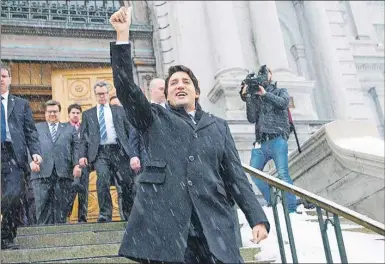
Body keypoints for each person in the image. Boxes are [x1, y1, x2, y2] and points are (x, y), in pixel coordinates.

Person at [109, 7, 269, 263]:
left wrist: (257, 218)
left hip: (213, 227)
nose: (179, 85)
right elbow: (126, 88)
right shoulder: (153, 118)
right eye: (174, 83)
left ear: (197, 92)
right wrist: (122, 36)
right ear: (167, 95)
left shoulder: (218, 126)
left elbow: (235, 176)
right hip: (168, 228)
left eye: (185, 82)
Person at [241, 66, 298, 213]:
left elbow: (283, 103)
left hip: (277, 138)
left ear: (270, 76)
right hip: (261, 141)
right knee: (254, 172)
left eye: (264, 74)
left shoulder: (280, 91)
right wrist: (248, 96)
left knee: (283, 173)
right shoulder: (256, 96)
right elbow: (251, 118)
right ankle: (272, 201)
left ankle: (291, 209)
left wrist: (265, 94)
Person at [78, 81, 136, 222]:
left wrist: (133, 154)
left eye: (104, 93)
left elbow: (130, 133)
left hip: (119, 151)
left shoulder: (119, 111)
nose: (102, 96)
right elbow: (83, 138)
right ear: (95, 95)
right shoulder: (88, 114)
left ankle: (129, 214)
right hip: (100, 153)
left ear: (108, 93)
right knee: (102, 180)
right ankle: (105, 214)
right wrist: (82, 156)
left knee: (127, 182)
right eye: (99, 94)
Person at [1, 62, 42, 249]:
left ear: (9, 79)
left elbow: (30, 132)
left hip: (13, 156)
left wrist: (35, 152)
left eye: (3, 76)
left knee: (13, 195)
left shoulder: (21, 104)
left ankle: (6, 236)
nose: (0, 80)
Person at [31, 100, 80, 225]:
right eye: (49, 111)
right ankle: (43, 236)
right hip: (41, 172)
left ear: (60, 112)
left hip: (63, 172)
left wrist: (76, 165)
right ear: (45, 113)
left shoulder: (69, 128)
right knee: (42, 206)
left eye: (55, 111)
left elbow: (76, 148)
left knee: (61, 207)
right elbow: (29, 147)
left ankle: (59, 236)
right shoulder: (36, 128)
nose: (52, 114)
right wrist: (31, 161)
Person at [67, 103, 89, 223]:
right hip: (69, 165)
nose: (75, 115)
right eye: (73, 113)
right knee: (72, 188)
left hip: (84, 164)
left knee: (83, 191)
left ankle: (82, 217)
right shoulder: (65, 128)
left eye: (77, 113)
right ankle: (66, 213)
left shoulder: (84, 127)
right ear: (69, 114)